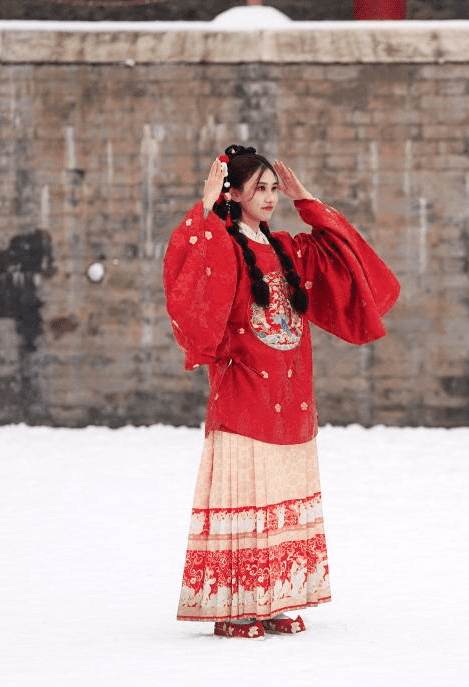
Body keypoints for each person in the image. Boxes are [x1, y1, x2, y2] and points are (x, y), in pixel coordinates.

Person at [163, 144, 400, 638]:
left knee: (282, 496)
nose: (270, 197)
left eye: (274, 188)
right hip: (243, 392)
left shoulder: (290, 249)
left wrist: (308, 200)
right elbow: (189, 289)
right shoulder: (220, 243)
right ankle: (236, 608)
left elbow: (353, 266)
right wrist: (205, 211)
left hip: (291, 393)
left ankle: (275, 600)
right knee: (248, 494)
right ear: (235, 192)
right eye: (260, 188)